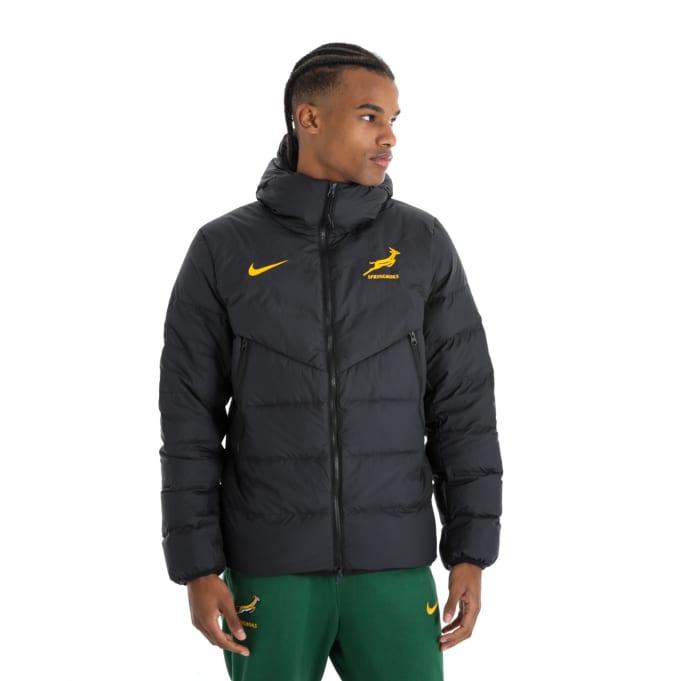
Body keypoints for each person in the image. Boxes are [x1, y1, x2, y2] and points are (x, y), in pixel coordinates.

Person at [158, 42, 503, 681]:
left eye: (394, 119)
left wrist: (471, 552)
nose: (389, 137)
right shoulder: (223, 248)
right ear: (309, 118)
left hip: (394, 564)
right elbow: (188, 421)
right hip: (270, 570)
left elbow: (463, 407)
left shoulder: (421, 242)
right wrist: (198, 567)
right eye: (370, 116)